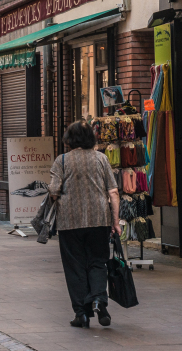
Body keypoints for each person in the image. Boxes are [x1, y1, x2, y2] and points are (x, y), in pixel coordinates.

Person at [47, 120, 120, 328]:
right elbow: (113, 192)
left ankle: (82, 313)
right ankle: (99, 300)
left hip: (70, 222)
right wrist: (115, 222)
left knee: (75, 266)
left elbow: (53, 192)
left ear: (69, 140)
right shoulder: (101, 159)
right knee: (98, 261)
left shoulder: (61, 161)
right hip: (99, 220)